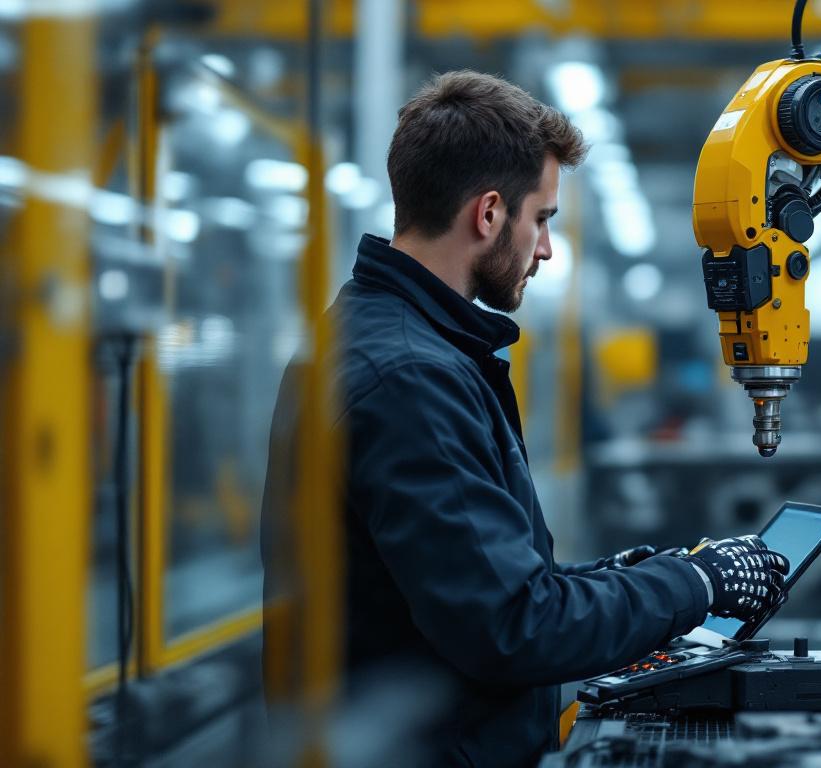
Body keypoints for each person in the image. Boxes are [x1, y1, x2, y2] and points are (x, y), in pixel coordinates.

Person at [260, 70, 789, 767]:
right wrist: (700, 584)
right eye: (541, 219)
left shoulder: (380, 336)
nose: (543, 249)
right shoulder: (414, 377)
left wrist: (623, 576)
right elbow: (514, 627)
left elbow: (471, 582)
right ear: (487, 215)